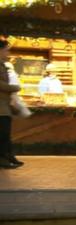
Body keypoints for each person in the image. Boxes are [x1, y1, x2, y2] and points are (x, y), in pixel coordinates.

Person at [0, 40, 23, 169]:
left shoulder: (3, 65)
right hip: (0, 108)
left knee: (5, 133)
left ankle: (8, 156)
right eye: (6, 50)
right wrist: (13, 87)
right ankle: (3, 159)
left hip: (4, 106)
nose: (7, 53)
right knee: (2, 134)